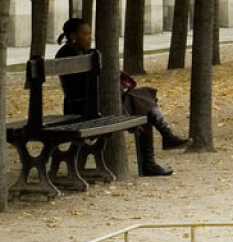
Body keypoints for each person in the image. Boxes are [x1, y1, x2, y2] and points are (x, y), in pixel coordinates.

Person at [53, 17, 183, 177]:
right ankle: (159, 148)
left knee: (144, 104)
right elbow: (84, 86)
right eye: (85, 34)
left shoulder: (81, 52)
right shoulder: (67, 54)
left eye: (90, 34)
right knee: (144, 104)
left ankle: (161, 145)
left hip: (93, 103)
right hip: (84, 107)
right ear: (73, 36)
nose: (89, 38)